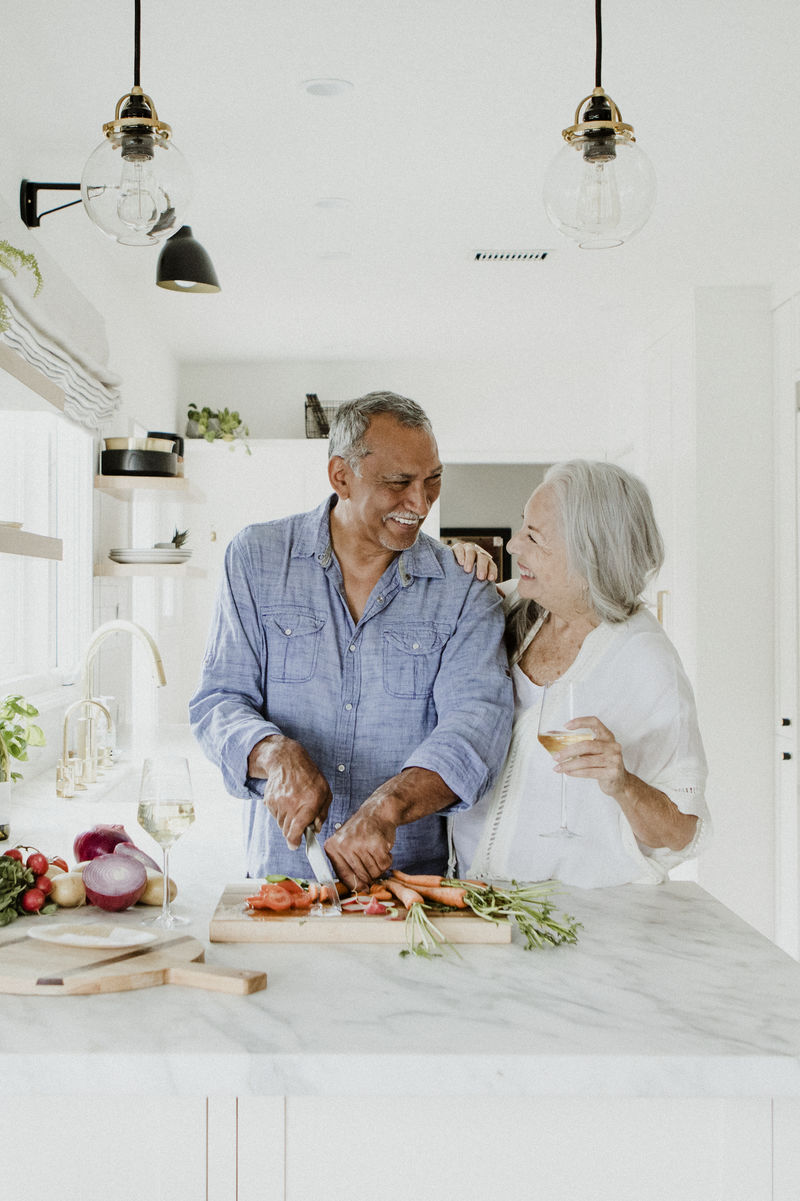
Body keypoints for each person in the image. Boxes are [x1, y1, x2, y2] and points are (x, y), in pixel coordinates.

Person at [189, 391, 513, 888]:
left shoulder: (464, 589)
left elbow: (475, 729)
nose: (421, 503)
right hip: (281, 881)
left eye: (433, 481)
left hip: (408, 888)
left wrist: (388, 807)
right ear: (341, 476)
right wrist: (273, 753)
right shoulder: (256, 559)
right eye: (399, 483)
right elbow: (219, 701)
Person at [451, 460, 710, 888]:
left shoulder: (646, 660)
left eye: (534, 537)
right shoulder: (516, 606)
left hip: (582, 917)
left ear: (591, 557)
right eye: (522, 527)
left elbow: (681, 834)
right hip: (479, 895)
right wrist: (457, 568)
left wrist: (622, 783)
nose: (514, 547)